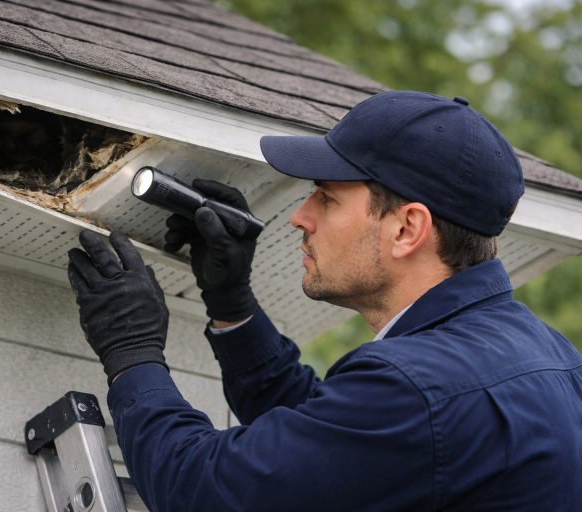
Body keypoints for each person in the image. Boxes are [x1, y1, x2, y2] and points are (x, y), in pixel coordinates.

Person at [66, 91, 582, 511]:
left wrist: (131, 352)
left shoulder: (415, 389)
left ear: (407, 229)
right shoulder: (552, 358)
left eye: (327, 197)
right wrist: (231, 301)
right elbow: (331, 440)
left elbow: (204, 493)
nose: (300, 216)